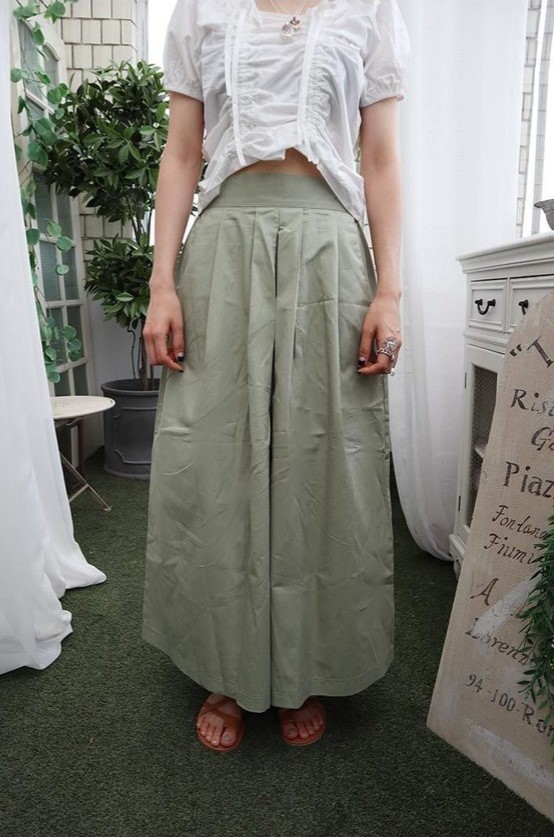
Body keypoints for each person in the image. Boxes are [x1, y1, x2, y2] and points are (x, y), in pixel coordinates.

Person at [142, 0, 410, 752]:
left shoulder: (369, 11)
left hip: (330, 249)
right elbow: (182, 152)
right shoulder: (202, 11)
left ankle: (305, 662)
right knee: (217, 456)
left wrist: (390, 291)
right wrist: (162, 283)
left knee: (320, 459)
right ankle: (227, 668)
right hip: (224, 248)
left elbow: (380, 158)